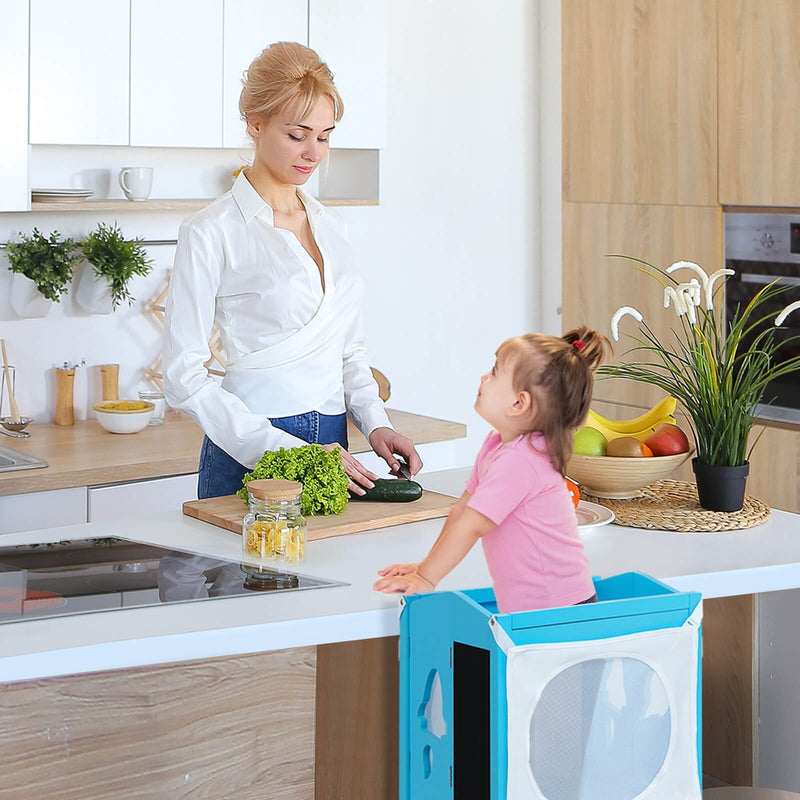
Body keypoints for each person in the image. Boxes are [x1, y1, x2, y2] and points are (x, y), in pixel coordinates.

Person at [162, 42, 421, 499]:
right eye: (297, 134)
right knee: (244, 572)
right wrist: (288, 452)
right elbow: (183, 379)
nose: (313, 152)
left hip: (335, 443)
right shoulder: (210, 231)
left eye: (324, 136)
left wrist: (376, 424)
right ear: (255, 123)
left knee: (329, 571)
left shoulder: (332, 225)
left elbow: (348, 351)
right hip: (254, 448)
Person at [374, 326, 612, 614]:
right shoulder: (498, 444)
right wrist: (426, 567)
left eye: (495, 371)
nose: (484, 377)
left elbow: (473, 525)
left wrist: (427, 577)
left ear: (518, 403)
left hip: (560, 610)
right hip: (539, 609)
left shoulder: (523, 460)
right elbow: (463, 511)